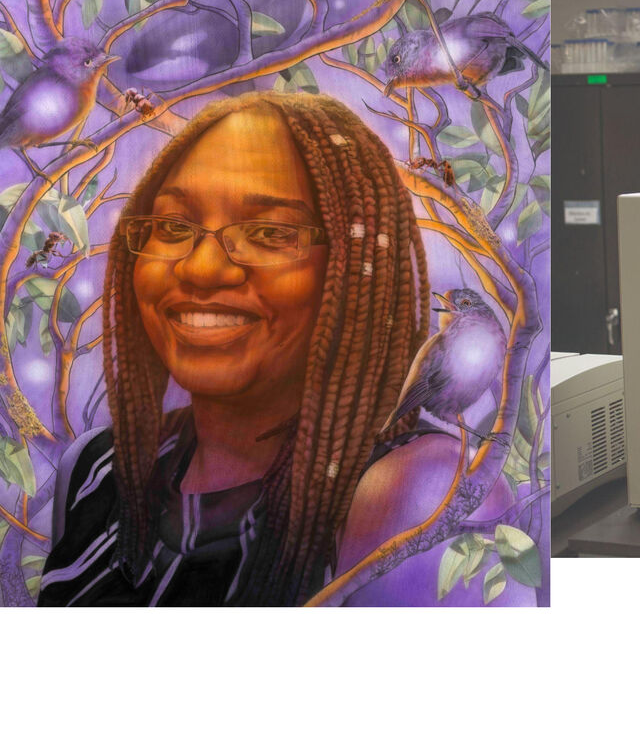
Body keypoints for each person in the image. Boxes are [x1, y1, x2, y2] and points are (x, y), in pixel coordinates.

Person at [38, 91, 466, 605]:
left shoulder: (415, 491)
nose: (201, 268)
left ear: (354, 271)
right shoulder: (96, 469)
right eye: (173, 227)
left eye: (269, 233)